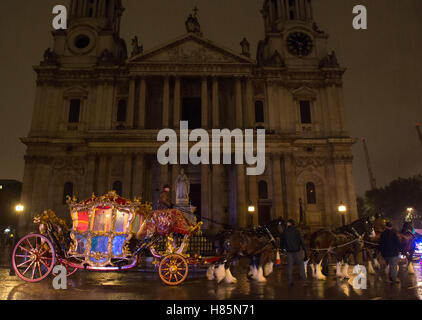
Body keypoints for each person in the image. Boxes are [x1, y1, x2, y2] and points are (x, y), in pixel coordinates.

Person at [281, 219, 308, 286]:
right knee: (301, 265)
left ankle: (290, 281)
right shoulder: (297, 231)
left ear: (289, 223)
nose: (286, 224)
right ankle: (304, 281)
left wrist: (281, 249)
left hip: (289, 252)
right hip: (297, 251)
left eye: (287, 223)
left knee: (290, 266)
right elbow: (301, 241)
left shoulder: (285, 232)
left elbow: (282, 242)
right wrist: (305, 250)